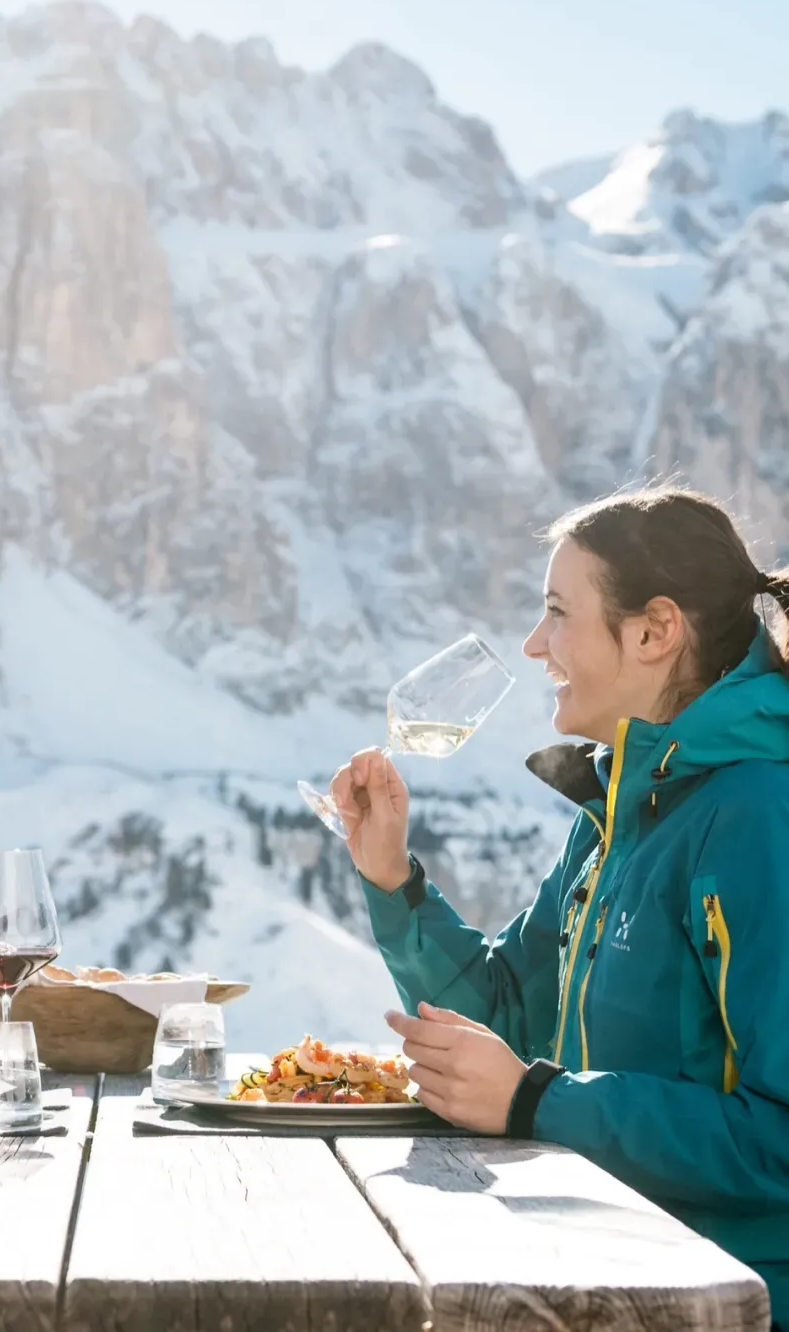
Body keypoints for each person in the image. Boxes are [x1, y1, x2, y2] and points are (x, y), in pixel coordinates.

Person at [332, 486, 789, 1326]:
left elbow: (780, 1136)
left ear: (655, 631)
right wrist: (394, 881)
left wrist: (541, 1103)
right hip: (608, 1276)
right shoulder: (624, 807)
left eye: (556, 613)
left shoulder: (760, 814)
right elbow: (510, 1018)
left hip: (733, 1299)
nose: (533, 643)